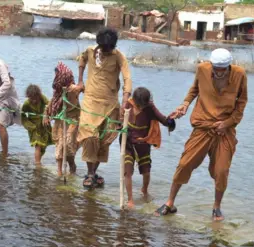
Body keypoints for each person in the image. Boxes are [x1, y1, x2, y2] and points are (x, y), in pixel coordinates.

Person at [155, 48, 248, 221]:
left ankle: (216, 207)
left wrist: (227, 123)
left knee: (221, 171)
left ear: (229, 66)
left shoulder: (240, 74)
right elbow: (194, 89)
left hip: (225, 130)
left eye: (222, 69)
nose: (219, 72)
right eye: (216, 68)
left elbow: (241, 103)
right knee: (184, 164)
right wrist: (184, 105)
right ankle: (170, 202)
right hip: (202, 126)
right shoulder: (202, 69)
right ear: (211, 65)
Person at [70, 28, 132, 189]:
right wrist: (80, 82)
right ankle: (90, 174)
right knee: (90, 136)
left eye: (109, 48)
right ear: (99, 45)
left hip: (110, 104)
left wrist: (125, 100)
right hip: (90, 101)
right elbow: (81, 60)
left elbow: (127, 78)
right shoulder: (91, 52)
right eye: (104, 48)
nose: (106, 51)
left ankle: (92, 173)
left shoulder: (118, 56)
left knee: (104, 141)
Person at [121, 87, 176, 209]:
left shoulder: (150, 108)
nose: (140, 108)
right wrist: (118, 125)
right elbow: (119, 121)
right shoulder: (128, 105)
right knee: (127, 171)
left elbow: (164, 120)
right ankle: (130, 200)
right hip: (128, 144)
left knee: (146, 171)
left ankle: (144, 190)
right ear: (134, 100)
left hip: (143, 145)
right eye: (138, 105)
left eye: (143, 106)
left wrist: (171, 121)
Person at [44, 62, 80, 176]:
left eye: (57, 75)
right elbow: (52, 102)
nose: (56, 77)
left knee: (68, 144)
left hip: (72, 121)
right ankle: (59, 172)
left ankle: (72, 166)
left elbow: (82, 89)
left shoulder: (73, 89)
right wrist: (46, 114)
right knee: (59, 145)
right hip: (60, 121)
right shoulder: (58, 91)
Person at [21, 84, 53, 165]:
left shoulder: (42, 98)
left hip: (44, 125)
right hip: (33, 127)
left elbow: (50, 105)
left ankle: (38, 160)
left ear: (39, 95)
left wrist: (48, 117)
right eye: (31, 98)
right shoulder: (26, 104)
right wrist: (30, 126)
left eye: (36, 98)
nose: (34, 100)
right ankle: (37, 163)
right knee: (37, 144)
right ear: (28, 97)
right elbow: (23, 117)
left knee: (44, 145)